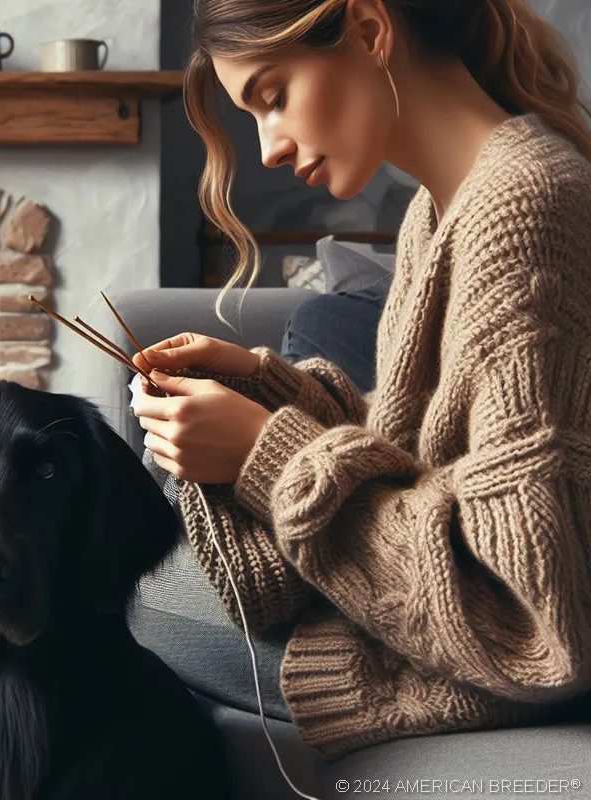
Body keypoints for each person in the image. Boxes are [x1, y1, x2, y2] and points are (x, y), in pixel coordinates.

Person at [131, 0, 591, 761]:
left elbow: (535, 611)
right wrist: (264, 385)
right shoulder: (438, 212)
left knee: (132, 593)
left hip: (508, 654)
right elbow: (427, 449)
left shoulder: (523, 206)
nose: (268, 149)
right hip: (451, 609)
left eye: (272, 97)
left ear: (370, 30)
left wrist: (262, 455)